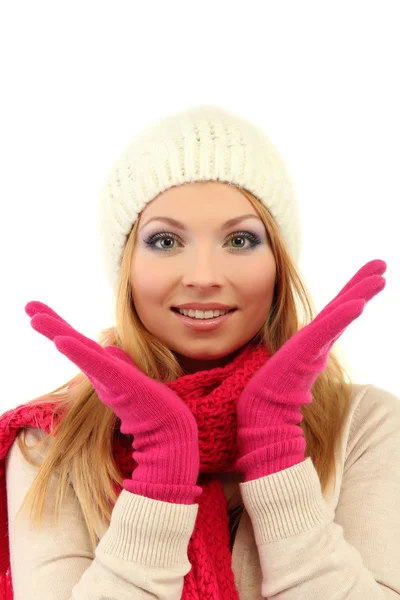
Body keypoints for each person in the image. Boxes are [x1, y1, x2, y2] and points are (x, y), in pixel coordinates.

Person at [0, 104, 399, 600]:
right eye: (165, 240)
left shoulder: (366, 423)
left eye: (240, 239)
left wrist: (275, 447)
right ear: (126, 267)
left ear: (279, 264)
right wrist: (161, 468)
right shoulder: (51, 445)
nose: (204, 276)